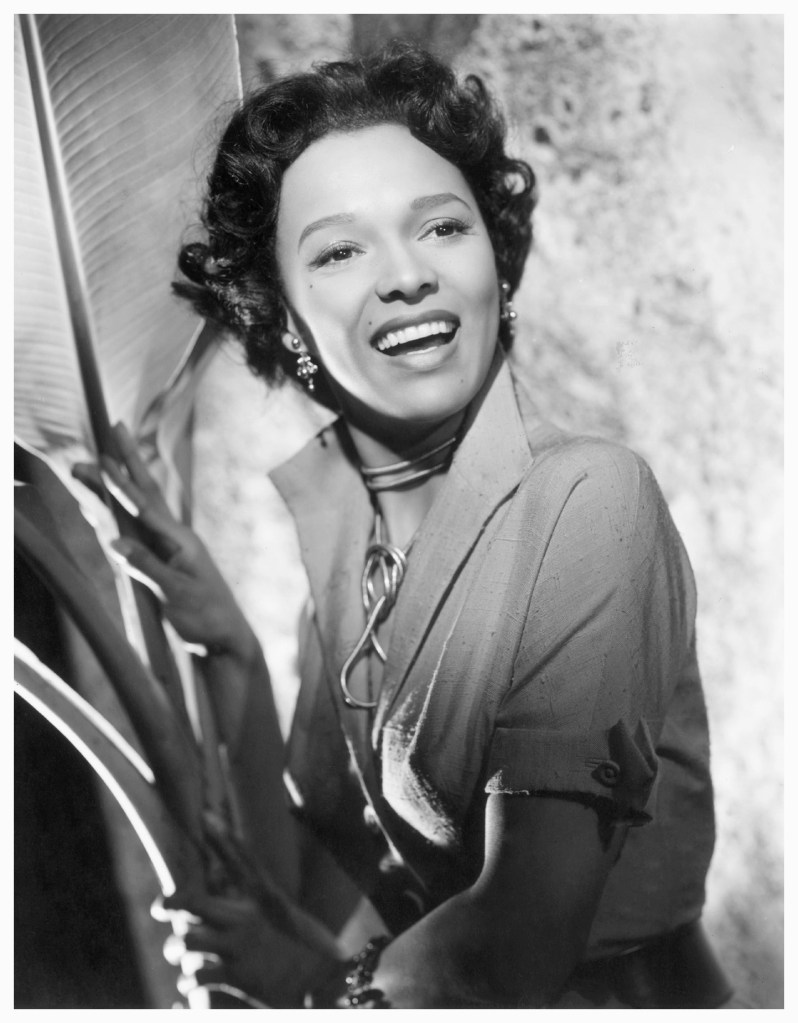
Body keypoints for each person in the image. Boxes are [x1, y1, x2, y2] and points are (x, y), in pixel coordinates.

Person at [93, 43, 733, 1008]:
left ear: (495, 263)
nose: (406, 274)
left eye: (441, 226)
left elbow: (518, 946)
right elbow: (302, 889)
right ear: (282, 318)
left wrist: (326, 982)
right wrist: (232, 652)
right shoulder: (352, 535)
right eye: (339, 250)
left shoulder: (590, 501)